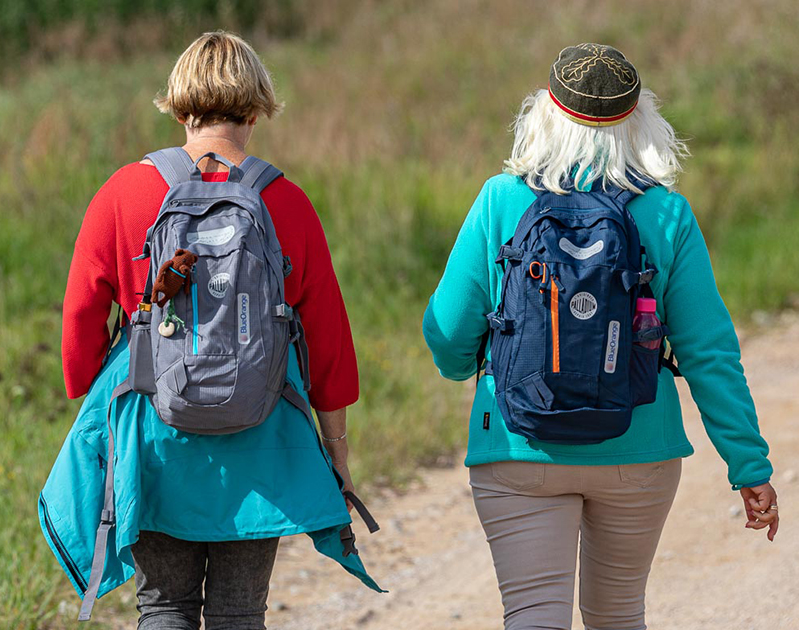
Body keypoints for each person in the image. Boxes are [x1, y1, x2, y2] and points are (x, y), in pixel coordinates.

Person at [423, 44, 778, 629]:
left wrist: (467, 367)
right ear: (641, 121)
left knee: (534, 616)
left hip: (518, 447)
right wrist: (749, 466)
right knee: (618, 616)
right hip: (639, 451)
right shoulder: (666, 214)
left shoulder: (501, 200)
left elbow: (450, 331)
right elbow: (710, 353)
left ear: (544, 113)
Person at [54, 31, 375, 629]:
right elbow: (328, 339)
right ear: (255, 112)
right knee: (238, 612)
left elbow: (79, 318)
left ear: (179, 109)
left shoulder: (123, 193)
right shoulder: (287, 203)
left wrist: (88, 400)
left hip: (151, 434)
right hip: (262, 441)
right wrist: (336, 453)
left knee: (164, 607)